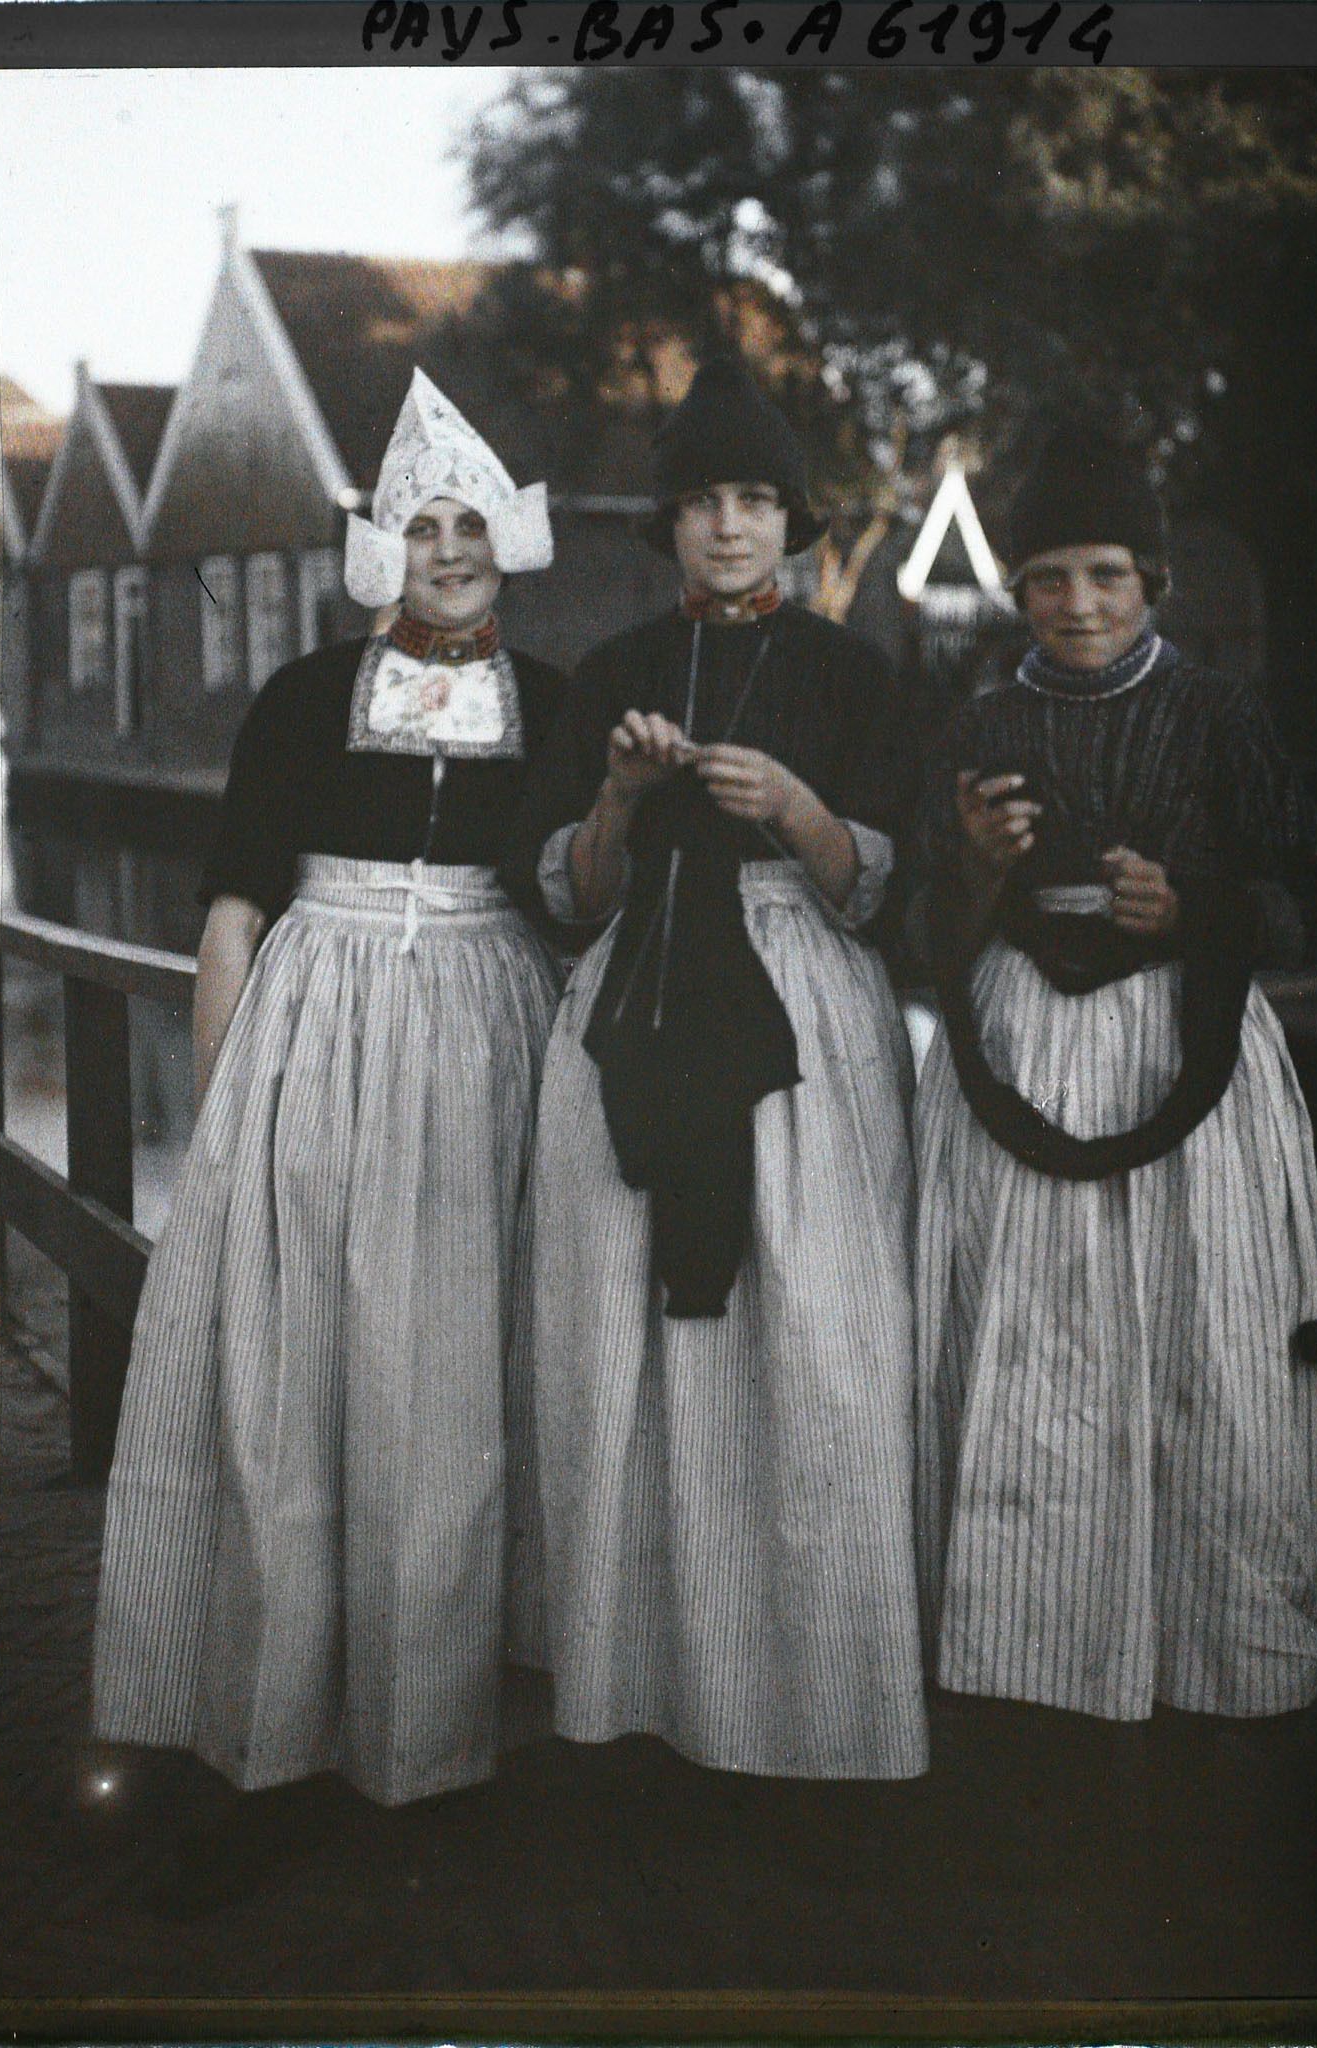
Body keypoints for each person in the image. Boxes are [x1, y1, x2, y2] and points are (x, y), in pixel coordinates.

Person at [91, 371, 565, 1842]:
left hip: (489, 1028)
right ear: (384, 551)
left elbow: (573, 890)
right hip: (318, 1018)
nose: (446, 549)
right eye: (421, 526)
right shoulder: (303, 698)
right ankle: (267, 1717)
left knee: (453, 1372)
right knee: (296, 1364)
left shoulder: (551, 707)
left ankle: (429, 1734)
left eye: (469, 525)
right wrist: (227, 1112)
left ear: (507, 545)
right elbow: (234, 909)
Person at [508, 359, 928, 1783]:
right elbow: (568, 898)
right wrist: (621, 797)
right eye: (702, 503)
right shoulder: (613, 678)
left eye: (755, 501)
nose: (730, 528)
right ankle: (653, 1686)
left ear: (793, 522)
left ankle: (816, 1704)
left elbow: (891, 896)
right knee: (629, 1343)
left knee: (811, 1345)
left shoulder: (855, 671)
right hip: (635, 1010)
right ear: (669, 525)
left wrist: (805, 814)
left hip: (799, 1028)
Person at [913, 422, 1317, 1732]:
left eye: (1106, 573)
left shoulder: (1219, 710)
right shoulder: (982, 718)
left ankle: (1202, 1644)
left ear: (1151, 580)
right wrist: (980, 865)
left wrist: (1194, 904)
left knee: (1194, 1333)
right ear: (1018, 591)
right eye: (1048, 577)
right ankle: (1035, 1646)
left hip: (1182, 1057)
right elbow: (928, 928)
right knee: (1033, 1336)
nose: (1078, 603)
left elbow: (1302, 906)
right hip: (1023, 1049)